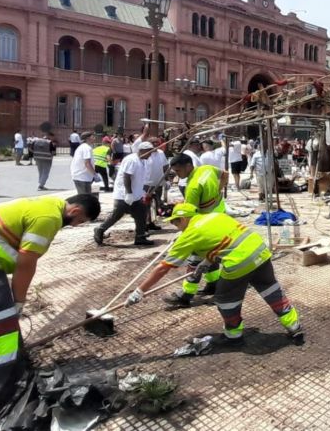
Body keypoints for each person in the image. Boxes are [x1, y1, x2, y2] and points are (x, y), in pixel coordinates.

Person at [0, 194, 100, 416]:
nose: (75, 226)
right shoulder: (49, 218)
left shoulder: (48, 204)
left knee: (1, 322)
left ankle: (16, 372)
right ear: (75, 211)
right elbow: (26, 263)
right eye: (79, 221)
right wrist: (18, 300)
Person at [126, 203, 303, 346]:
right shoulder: (216, 215)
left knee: (225, 299)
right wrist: (207, 261)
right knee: (271, 290)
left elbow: (163, 268)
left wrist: (139, 291)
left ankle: (233, 336)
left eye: (176, 222)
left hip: (239, 262)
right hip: (260, 251)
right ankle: (294, 326)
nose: (177, 227)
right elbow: (224, 240)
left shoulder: (189, 234)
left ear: (184, 218)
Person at [163, 153, 228, 306]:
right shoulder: (207, 169)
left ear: (188, 166)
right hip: (220, 217)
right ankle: (213, 284)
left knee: (194, 259)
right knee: (209, 254)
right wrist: (218, 191)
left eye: (179, 171)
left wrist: (185, 235)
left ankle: (186, 294)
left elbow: (188, 217)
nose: (178, 176)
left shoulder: (192, 186)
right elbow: (225, 174)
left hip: (205, 224)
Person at [94, 141, 155, 246]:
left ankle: (140, 236)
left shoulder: (143, 161)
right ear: (142, 151)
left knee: (141, 213)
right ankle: (100, 229)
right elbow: (127, 177)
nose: (150, 155)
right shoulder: (131, 160)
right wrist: (128, 193)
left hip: (136, 194)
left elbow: (141, 178)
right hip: (123, 194)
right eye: (149, 152)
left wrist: (144, 191)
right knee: (116, 215)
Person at [144, 139, 168, 231]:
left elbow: (165, 166)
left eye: (157, 143)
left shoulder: (161, 153)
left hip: (158, 182)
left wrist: (167, 180)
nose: (155, 145)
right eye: (153, 143)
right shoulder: (147, 154)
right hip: (147, 183)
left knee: (156, 203)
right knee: (146, 204)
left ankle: (150, 222)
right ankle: (145, 223)